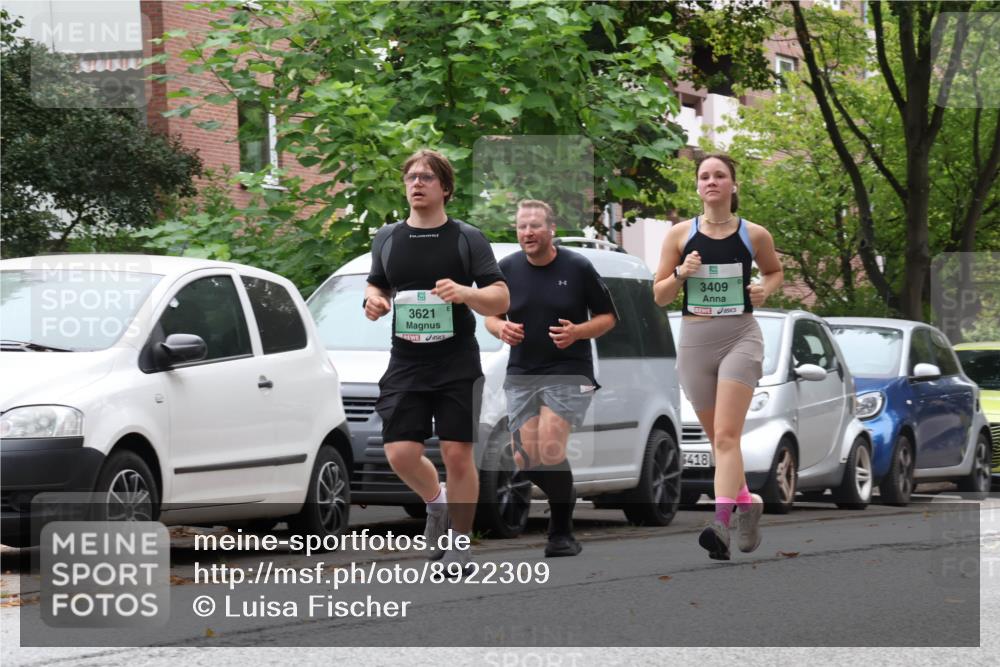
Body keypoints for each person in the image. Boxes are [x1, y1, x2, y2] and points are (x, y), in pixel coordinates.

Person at [364, 149, 509, 573]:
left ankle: (461, 544)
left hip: (455, 362)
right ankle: (437, 504)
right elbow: (378, 286)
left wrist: (466, 293)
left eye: (427, 177)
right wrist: (374, 302)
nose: (417, 183)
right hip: (406, 361)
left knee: (458, 453)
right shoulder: (388, 237)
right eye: (411, 177)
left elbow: (501, 297)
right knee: (400, 453)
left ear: (444, 188)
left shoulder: (466, 238)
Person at [653, 154, 783, 560]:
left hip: (740, 337)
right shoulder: (678, 235)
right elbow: (659, 296)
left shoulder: (754, 234)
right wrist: (681, 274)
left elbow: (775, 272)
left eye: (720, 175)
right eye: (704, 176)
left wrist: (765, 289)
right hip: (695, 342)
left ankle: (720, 524)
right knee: (719, 442)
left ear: (733, 186)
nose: (712, 181)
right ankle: (749, 503)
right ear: (697, 186)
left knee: (727, 437)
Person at [485, 200, 617, 557]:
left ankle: (561, 533)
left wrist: (578, 331)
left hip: (571, 371)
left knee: (551, 446)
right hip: (523, 371)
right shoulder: (507, 268)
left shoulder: (577, 267)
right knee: (525, 456)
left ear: (551, 229)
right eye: (522, 226)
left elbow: (608, 318)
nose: (527, 232)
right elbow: (491, 316)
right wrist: (501, 328)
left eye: (534, 226)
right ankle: (565, 493)